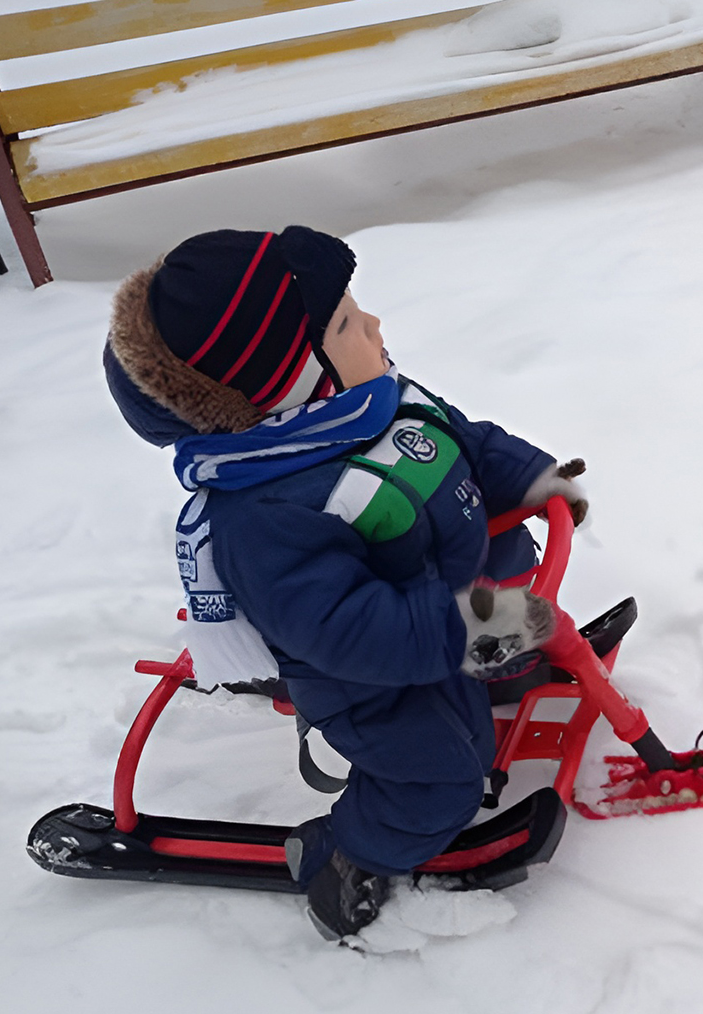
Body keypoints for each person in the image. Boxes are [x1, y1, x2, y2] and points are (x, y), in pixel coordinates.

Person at [102, 226, 586, 940]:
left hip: (453, 611)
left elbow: (463, 438)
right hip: (375, 681)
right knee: (441, 778)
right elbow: (350, 630)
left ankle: (486, 660)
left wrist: (534, 477)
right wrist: (474, 628)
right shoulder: (269, 515)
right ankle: (348, 853)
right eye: (347, 324)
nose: (375, 327)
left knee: (493, 655)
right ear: (297, 378)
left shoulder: (373, 400)